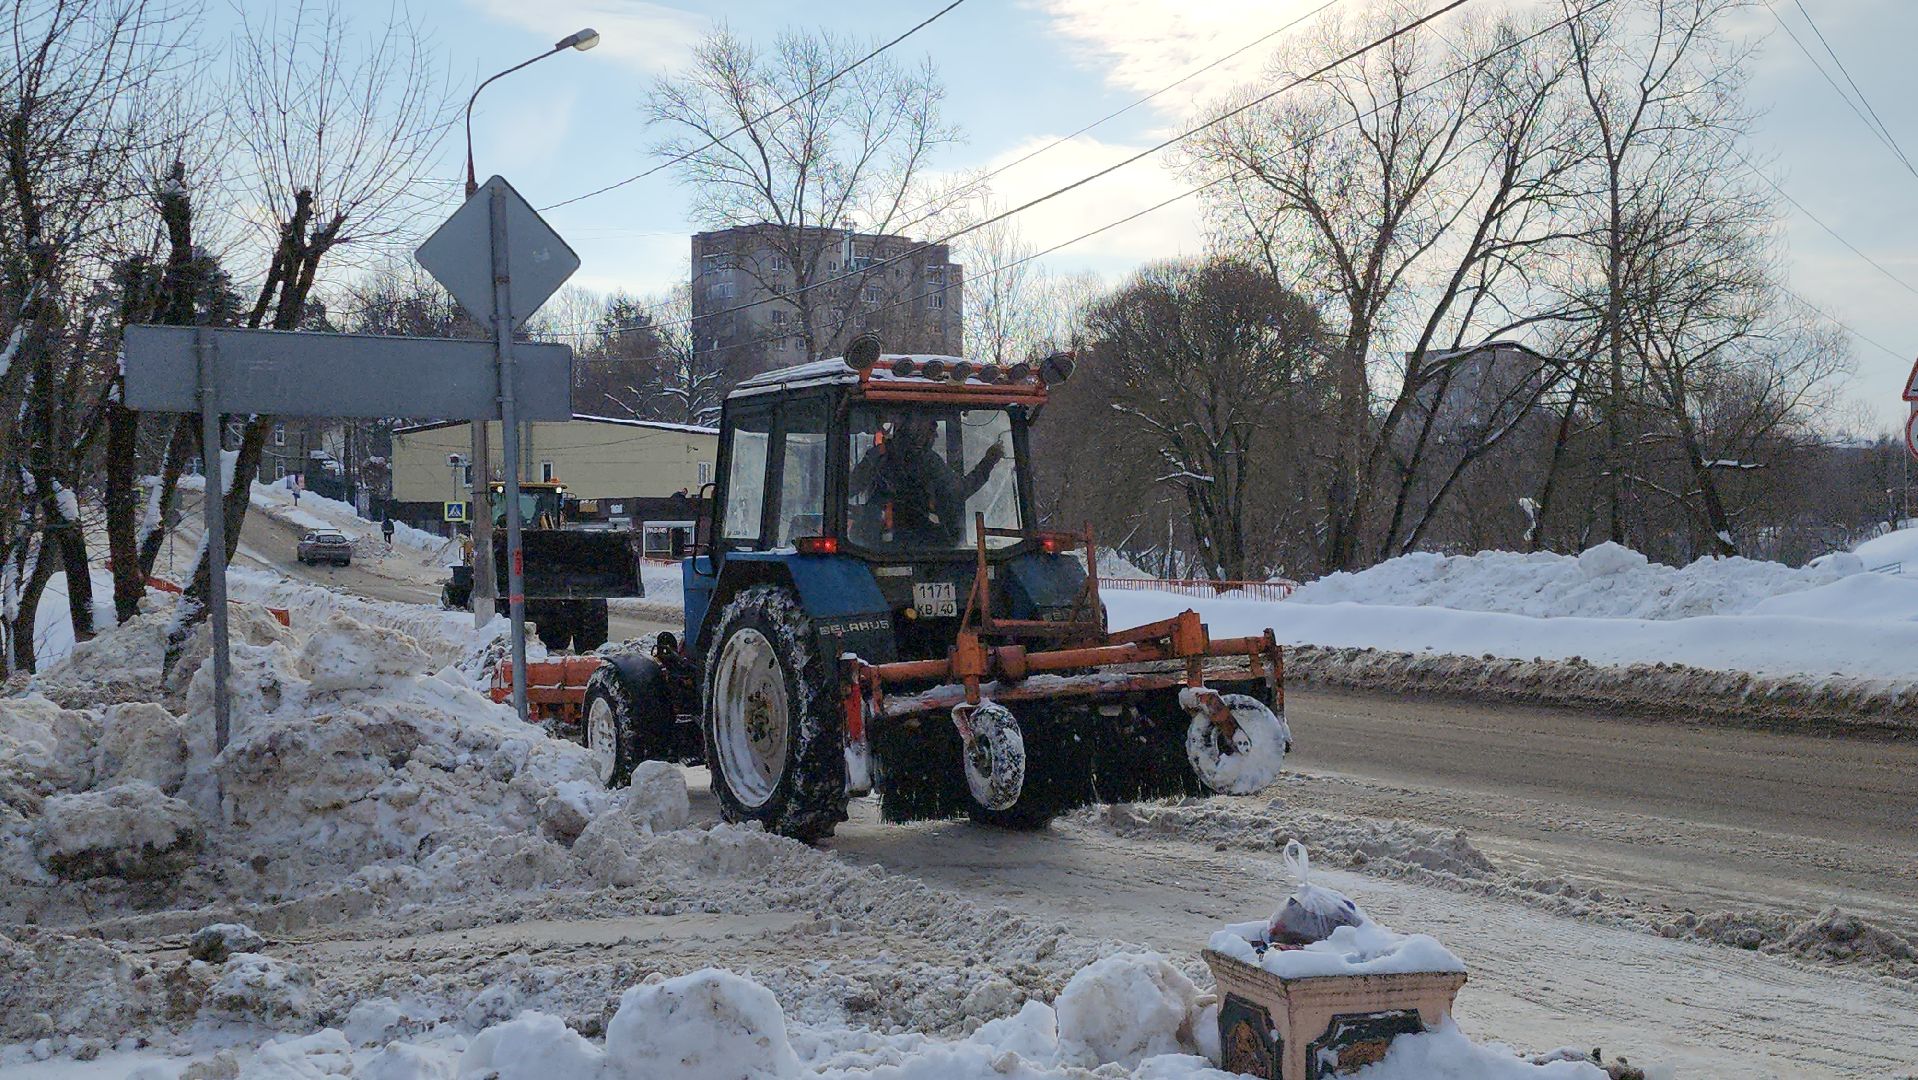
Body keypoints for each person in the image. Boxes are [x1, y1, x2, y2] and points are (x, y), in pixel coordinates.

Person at [850, 414, 1005, 545]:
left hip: (879, 541)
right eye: (931, 428)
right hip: (915, 540)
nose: (934, 435)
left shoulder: (879, 454)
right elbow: (958, 492)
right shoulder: (926, 461)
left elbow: (851, 487)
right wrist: (988, 462)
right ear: (914, 428)